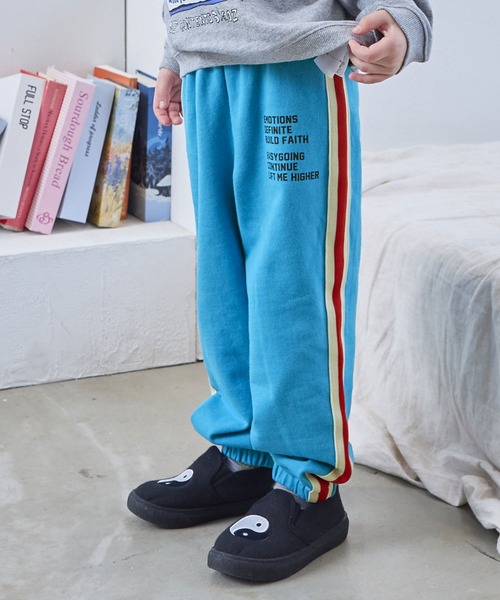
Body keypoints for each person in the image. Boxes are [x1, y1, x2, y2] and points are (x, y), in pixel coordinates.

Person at [128, 0, 433, 583]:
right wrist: (175, 50)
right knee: (225, 274)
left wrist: (404, 18)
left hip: (294, 61)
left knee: (292, 276)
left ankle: (307, 485)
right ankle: (245, 455)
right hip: (206, 69)